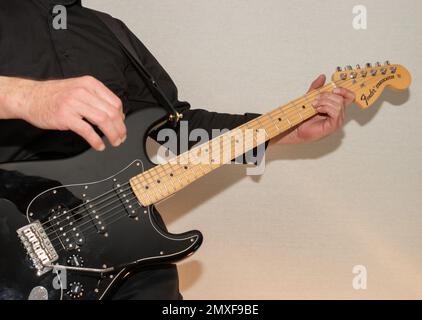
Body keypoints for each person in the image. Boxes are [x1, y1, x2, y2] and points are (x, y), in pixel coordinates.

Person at [0, 0, 355, 299]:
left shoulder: (108, 31)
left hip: (120, 248)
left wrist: (289, 128)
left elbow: (176, 127)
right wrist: (23, 96)